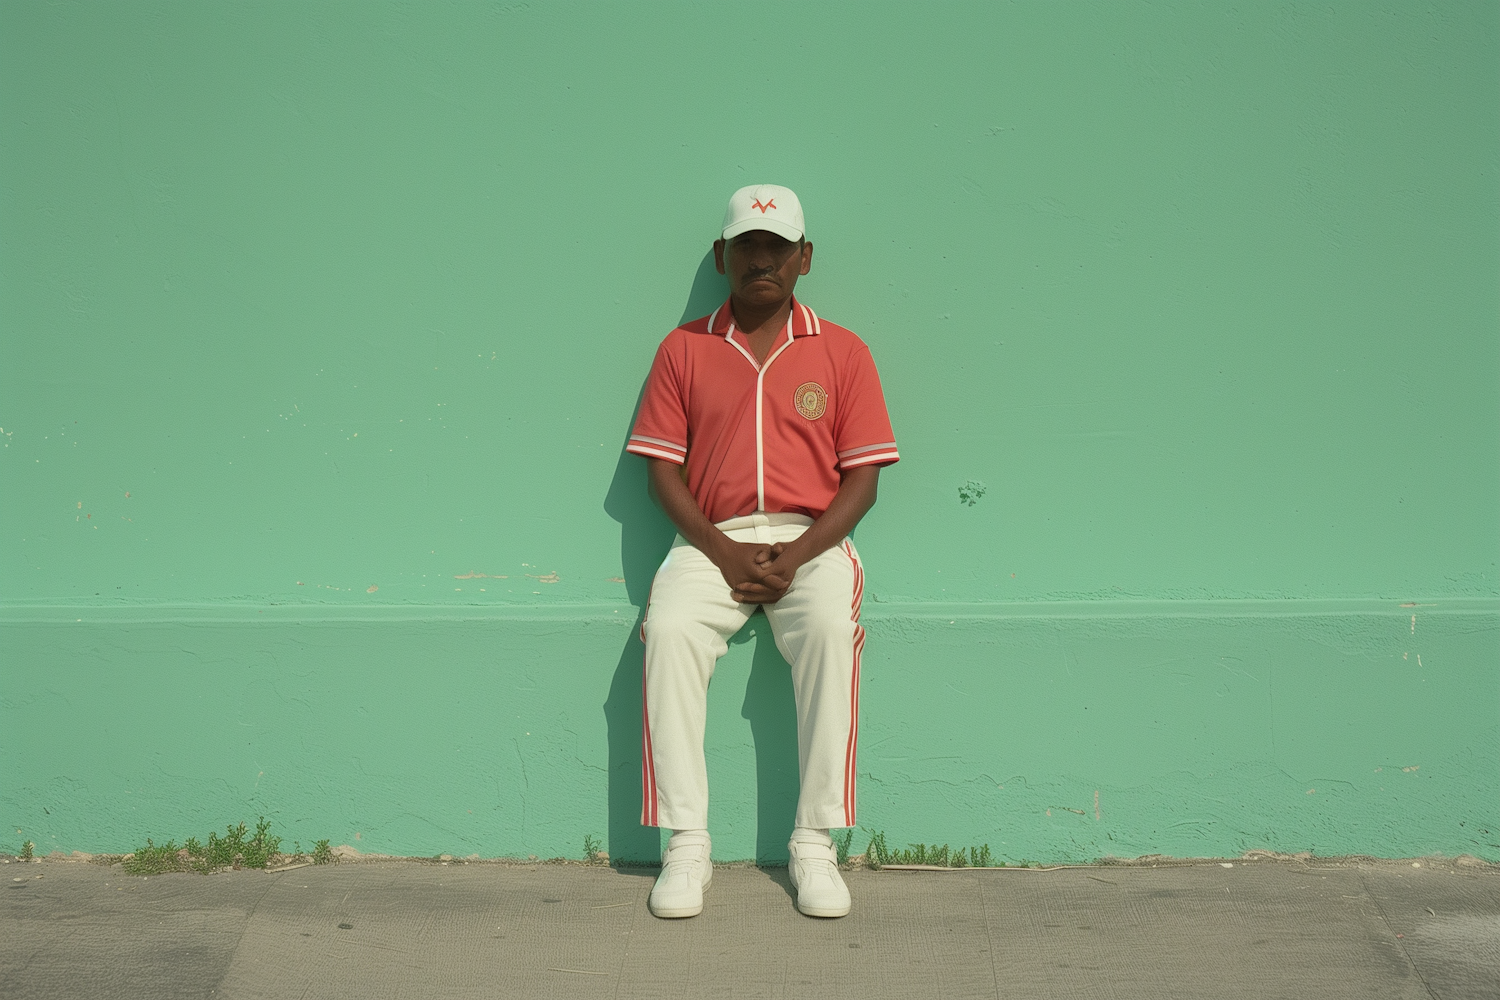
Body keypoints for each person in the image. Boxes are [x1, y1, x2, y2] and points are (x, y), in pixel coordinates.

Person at [625, 184, 900, 918]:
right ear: (723, 255)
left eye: (778, 248)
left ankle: (814, 843)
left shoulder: (841, 351)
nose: (761, 261)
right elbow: (662, 472)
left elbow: (863, 481)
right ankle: (686, 845)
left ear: (804, 258)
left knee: (831, 633)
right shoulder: (683, 349)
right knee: (670, 629)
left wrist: (799, 552)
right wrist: (723, 553)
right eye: (747, 245)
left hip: (813, 541)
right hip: (710, 541)